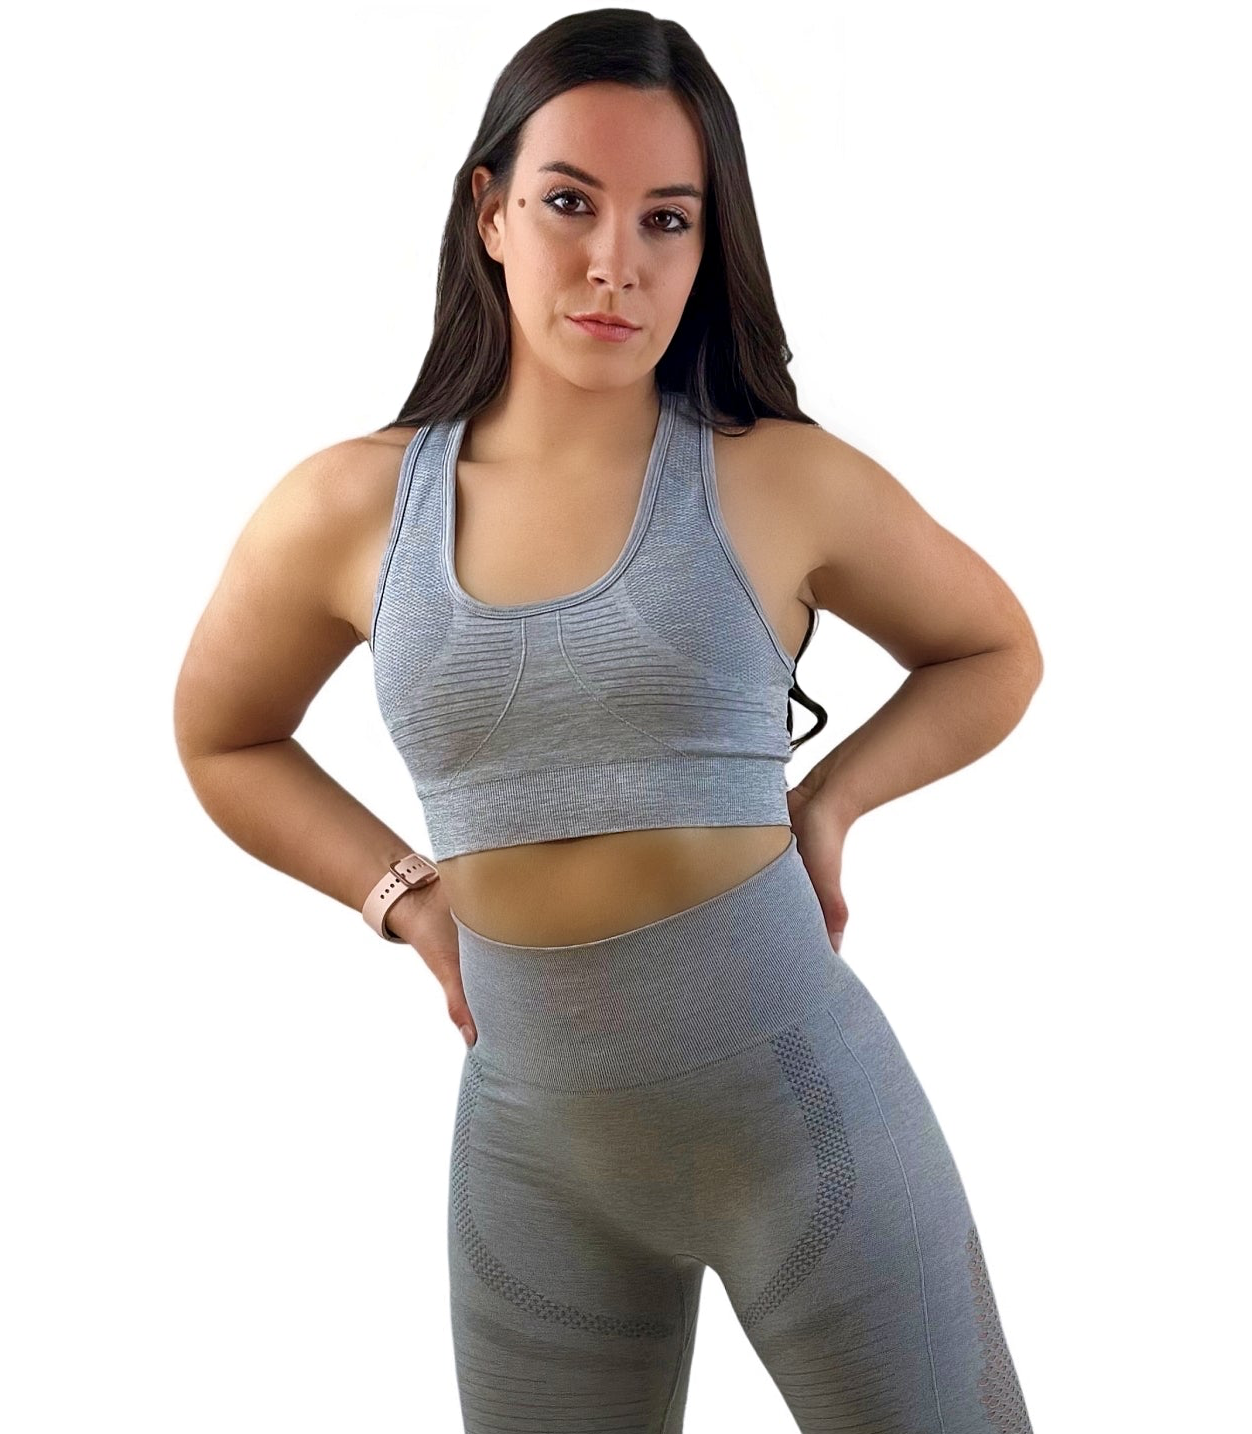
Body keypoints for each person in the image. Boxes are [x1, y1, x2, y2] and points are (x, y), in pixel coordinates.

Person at [174, 10, 1042, 1432]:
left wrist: (828, 801)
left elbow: (994, 649)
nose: (613, 263)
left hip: (806, 1123)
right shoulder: (348, 508)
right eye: (570, 202)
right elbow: (226, 737)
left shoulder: (782, 480)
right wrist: (407, 899)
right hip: (536, 1162)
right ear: (490, 211)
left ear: (707, 248)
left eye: (667, 220)